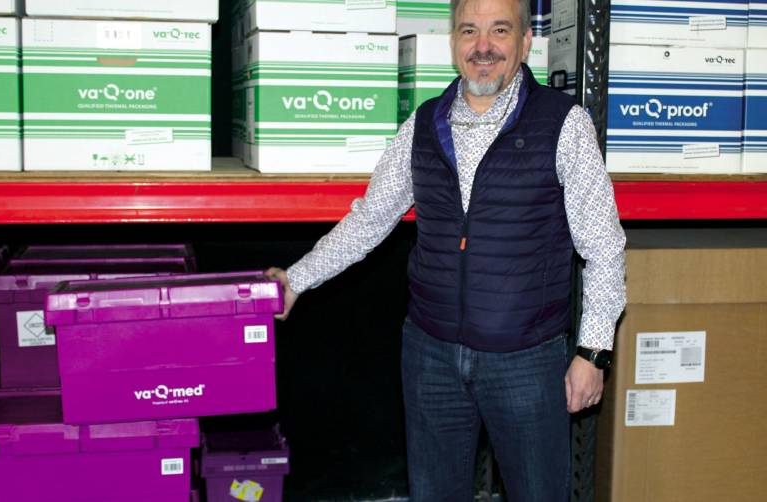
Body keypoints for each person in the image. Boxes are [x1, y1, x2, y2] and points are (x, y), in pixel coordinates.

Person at [267, 0, 626, 497]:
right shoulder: (424, 124)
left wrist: (593, 352)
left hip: (525, 361)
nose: (483, 46)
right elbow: (370, 219)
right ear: (453, 43)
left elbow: (604, 248)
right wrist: (296, 278)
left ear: (524, 42)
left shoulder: (563, 125)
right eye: (469, 31)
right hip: (431, 358)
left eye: (500, 31)